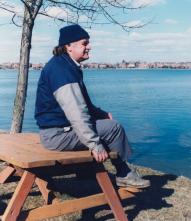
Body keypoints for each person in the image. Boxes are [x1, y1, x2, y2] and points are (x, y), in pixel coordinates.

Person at [34, 24, 150, 188]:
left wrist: (101, 114)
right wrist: (95, 144)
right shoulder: (62, 70)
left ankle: (86, 173)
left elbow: (84, 104)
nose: (90, 47)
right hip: (57, 136)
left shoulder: (64, 65)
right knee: (114, 128)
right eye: (85, 43)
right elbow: (77, 113)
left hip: (56, 132)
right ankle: (124, 173)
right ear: (69, 46)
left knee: (105, 123)